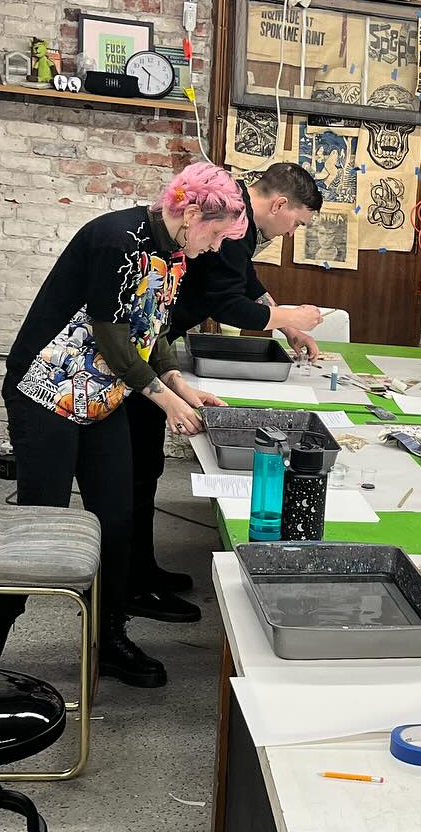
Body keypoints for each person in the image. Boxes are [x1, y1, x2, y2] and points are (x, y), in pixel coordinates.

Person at [0, 163, 248, 689]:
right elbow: (115, 340)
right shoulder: (118, 240)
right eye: (216, 233)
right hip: (46, 390)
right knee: (40, 521)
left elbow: (151, 328)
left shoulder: (174, 253)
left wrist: (182, 386)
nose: (215, 247)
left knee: (116, 519)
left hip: (100, 395)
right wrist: (166, 403)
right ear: (189, 212)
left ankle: (109, 637)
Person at [125, 160, 325, 621]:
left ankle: (144, 569)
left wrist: (283, 326)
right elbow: (225, 302)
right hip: (143, 345)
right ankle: (132, 585)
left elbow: (245, 285)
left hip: (157, 341)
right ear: (279, 204)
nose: (293, 232)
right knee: (135, 469)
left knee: (147, 466)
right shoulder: (231, 218)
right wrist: (286, 318)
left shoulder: (239, 225)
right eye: (296, 221)